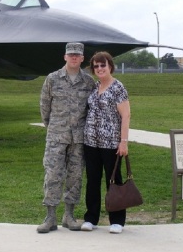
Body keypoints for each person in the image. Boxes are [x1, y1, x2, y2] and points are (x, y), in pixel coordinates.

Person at [37, 42, 95, 233]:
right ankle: (50, 217)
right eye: (71, 55)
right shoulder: (52, 79)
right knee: (53, 175)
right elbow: (45, 107)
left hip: (78, 139)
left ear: (82, 58)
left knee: (75, 177)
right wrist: (53, 127)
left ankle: (69, 216)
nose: (74, 58)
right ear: (65, 57)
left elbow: (90, 109)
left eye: (77, 55)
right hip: (56, 137)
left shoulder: (88, 81)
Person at [80, 51, 130, 234]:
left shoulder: (118, 88)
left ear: (110, 66)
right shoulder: (94, 87)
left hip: (111, 143)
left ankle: (117, 220)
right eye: (96, 66)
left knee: (113, 180)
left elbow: (126, 115)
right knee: (92, 180)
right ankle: (91, 218)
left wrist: (123, 142)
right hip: (91, 141)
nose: (100, 68)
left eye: (103, 65)